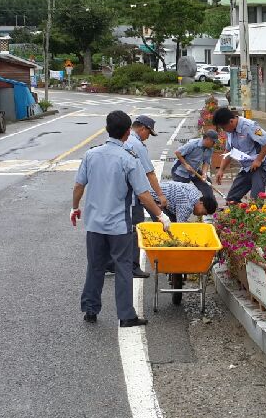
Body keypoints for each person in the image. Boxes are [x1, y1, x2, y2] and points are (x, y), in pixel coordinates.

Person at [72, 110, 167, 327]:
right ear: (127, 133)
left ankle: (90, 309)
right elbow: (143, 195)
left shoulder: (91, 155)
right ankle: (126, 315)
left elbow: (79, 185)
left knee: (95, 266)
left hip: (94, 224)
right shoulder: (128, 158)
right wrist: (161, 216)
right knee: (123, 267)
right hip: (118, 226)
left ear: (107, 129)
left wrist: (74, 207)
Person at [123, 114, 165, 279]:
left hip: (117, 196)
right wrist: (160, 195)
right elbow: (150, 173)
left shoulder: (124, 140)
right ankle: (133, 266)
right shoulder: (137, 145)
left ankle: (110, 263)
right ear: (142, 128)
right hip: (133, 196)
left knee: (118, 230)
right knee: (136, 230)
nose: (148, 137)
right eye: (148, 133)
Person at [213, 107, 266, 203]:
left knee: (256, 201)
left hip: (259, 167)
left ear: (231, 121)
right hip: (246, 168)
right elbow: (228, 151)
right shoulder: (229, 131)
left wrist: (258, 160)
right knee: (231, 199)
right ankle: (240, 216)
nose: (224, 130)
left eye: (224, 128)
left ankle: (256, 216)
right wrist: (221, 170)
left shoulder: (249, 126)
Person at [172, 129, 218, 200]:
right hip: (180, 171)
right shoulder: (193, 144)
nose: (214, 144)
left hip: (194, 171)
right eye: (213, 142)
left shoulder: (210, 149)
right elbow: (178, 152)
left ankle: (210, 206)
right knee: (180, 194)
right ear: (208, 139)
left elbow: (206, 162)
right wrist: (186, 165)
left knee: (207, 185)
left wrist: (204, 174)